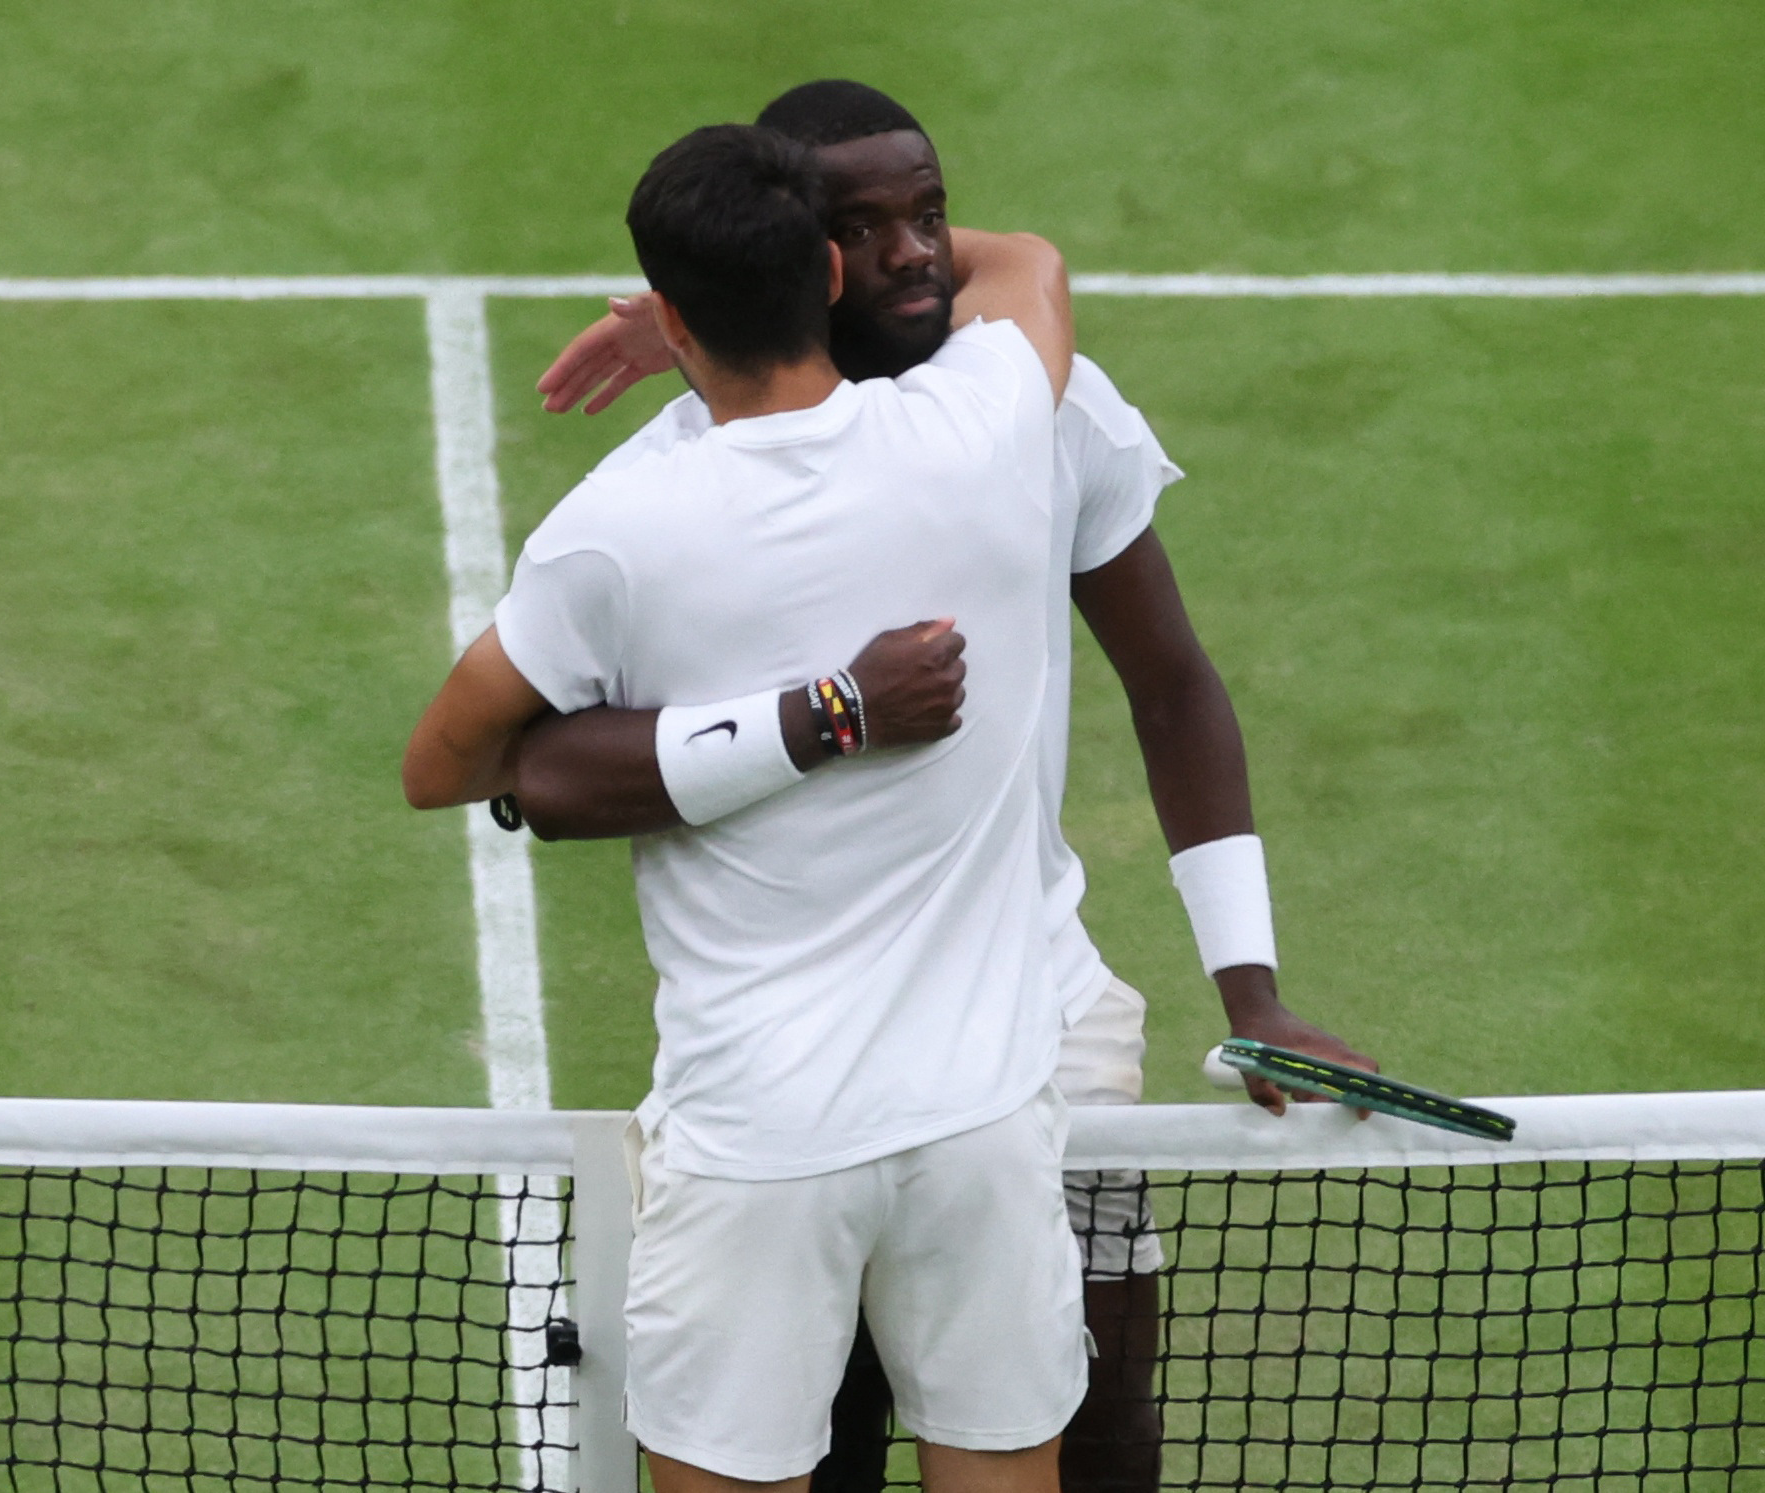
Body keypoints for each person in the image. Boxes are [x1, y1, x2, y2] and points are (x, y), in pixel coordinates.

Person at [524, 81, 1377, 1493]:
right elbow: (533, 763)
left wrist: (1251, 987)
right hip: (797, 1066)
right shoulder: (677, 478)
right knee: (832, 1436)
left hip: (1038, 1020)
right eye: (863, 227)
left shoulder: (1043, 405)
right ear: (802, 255)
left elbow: (1169, 682)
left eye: (930, 213)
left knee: (1097, 1417)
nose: (920, 251)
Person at [406, 122, 1089, 1492]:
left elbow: (448, 764)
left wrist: (808, 719)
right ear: (833, 270)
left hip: (757, 1148)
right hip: (983, 1130)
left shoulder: (617, 529)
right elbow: (1025, 259)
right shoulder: (987, 424)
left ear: (669, 313)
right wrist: (832, 711)